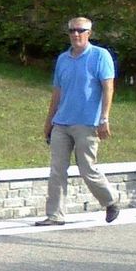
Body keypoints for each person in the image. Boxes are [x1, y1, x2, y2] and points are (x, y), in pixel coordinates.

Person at [38, 16, 121, 226]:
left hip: (87, 123)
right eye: (72, 30)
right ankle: (55, 215)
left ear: (89, 33)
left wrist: (104, 118)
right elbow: (57, 93)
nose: (76, 34)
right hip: (62, 123)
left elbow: (108, 88)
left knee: (87, 169)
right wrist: (49, 122)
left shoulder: (100, 56)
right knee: (57, 170)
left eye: (80, 30)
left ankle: (111, 200)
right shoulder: (63, 59)